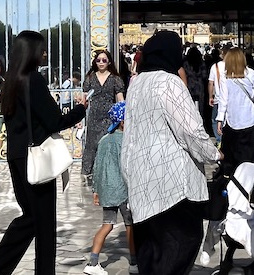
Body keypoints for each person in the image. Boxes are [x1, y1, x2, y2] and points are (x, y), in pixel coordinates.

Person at [0, 30, 88, 275]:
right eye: (42, 50)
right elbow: (55, 121)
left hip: (17, 155)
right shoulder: (33, 79)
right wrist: (80, 109)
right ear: (32, 52)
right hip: (35, 156)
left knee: (32, 218)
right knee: (42, 223)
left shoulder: (10, 81)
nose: (44, 54)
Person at [121, 30, 221, 275]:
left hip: (141, 184)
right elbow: (190, 129)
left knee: (151, 257)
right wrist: (214, 154)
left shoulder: (137, 83)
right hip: (172, 187)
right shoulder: (169, 82)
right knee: (176, 253)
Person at [84, 102, 137, 275]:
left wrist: (96, 190)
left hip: (107, 190)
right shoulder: (127, 141)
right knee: (130, 226)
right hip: (124, 190)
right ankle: (134, 262)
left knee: (106, 225)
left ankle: (92, 262)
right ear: (123, 122)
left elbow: (97, 167)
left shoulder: (104, 140)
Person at [81, 49, 125, 184]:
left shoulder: (115, 79)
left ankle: (108, 171)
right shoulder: (90, 78)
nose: (101, 62)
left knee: (107, 143)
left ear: (109, 62)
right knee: (91, 144)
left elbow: (120, 100)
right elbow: (84, 99)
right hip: (94, 115)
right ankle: (88, 172)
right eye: (98, 60)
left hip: (109, 116)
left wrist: (122, 117)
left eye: (104, 60)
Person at [216, 47, 254, 172]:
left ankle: (234, 176)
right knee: (250, 154)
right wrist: (251, 94)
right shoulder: (251, 73)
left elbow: (223, 100)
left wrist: (220, 119)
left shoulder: (225, 76)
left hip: (232, 119)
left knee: (233, 154)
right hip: (249, 119)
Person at [207, 41, 232, 145]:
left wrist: (210, 96)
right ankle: (228, 140)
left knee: (215, 120)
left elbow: (211, 82)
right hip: (230, 99)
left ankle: (219, 140)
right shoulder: (234, 66)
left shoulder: (215, 66)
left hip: (218, 98)